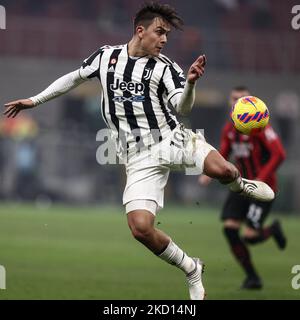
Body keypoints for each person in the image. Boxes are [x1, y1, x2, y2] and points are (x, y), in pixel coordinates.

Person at [4, 3, 275, 299]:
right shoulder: (106, 57)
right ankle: (191, 268)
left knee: (222, 170)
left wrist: (191, 84)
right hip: (137, 157)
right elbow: (73, 77)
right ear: (140, 31)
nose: (164, 40)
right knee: (141, 228)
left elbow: (183, 108)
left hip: (172, 139)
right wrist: (35, 100)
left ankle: (241, 184)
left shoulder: (166, 67)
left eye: (167, 35)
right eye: (160, 32)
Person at [199, 86, 286, 289]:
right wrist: (209, 173)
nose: (237, 101)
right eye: (234, 98)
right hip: (240, 185)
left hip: (262, 188)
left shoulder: (260, 126)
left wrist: (260, 180)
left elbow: (279, 154)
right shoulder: (229, 129)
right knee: (230, 230)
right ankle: (252, 278)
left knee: (250, 237)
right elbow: (223, 153)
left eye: (242, 98)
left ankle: (272, 229)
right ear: (231, 103)